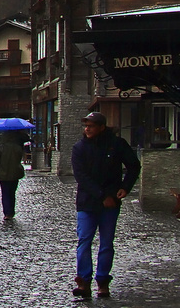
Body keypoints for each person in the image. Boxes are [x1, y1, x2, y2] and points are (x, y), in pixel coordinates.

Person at [71, 111, 140, 300]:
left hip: (110, 203)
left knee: (106, 243)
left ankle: (102, 281)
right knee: (84, 241)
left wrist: (125, 188)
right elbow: (81, 176)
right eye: (86, 126)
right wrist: (102, 196)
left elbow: (134, 166)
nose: (87, 129)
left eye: (91, 126)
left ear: (101, 127)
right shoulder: (80, 148)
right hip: (87, 202)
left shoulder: (117, 145)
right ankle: (84, 281)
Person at [0, 130, 26, 221]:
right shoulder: (17, 147)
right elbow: (20, 158)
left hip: (3, 173)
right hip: (15, 173)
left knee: (5, 193)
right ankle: (11, 212)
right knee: (12, 193)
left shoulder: (0, 148)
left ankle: (6, 212)